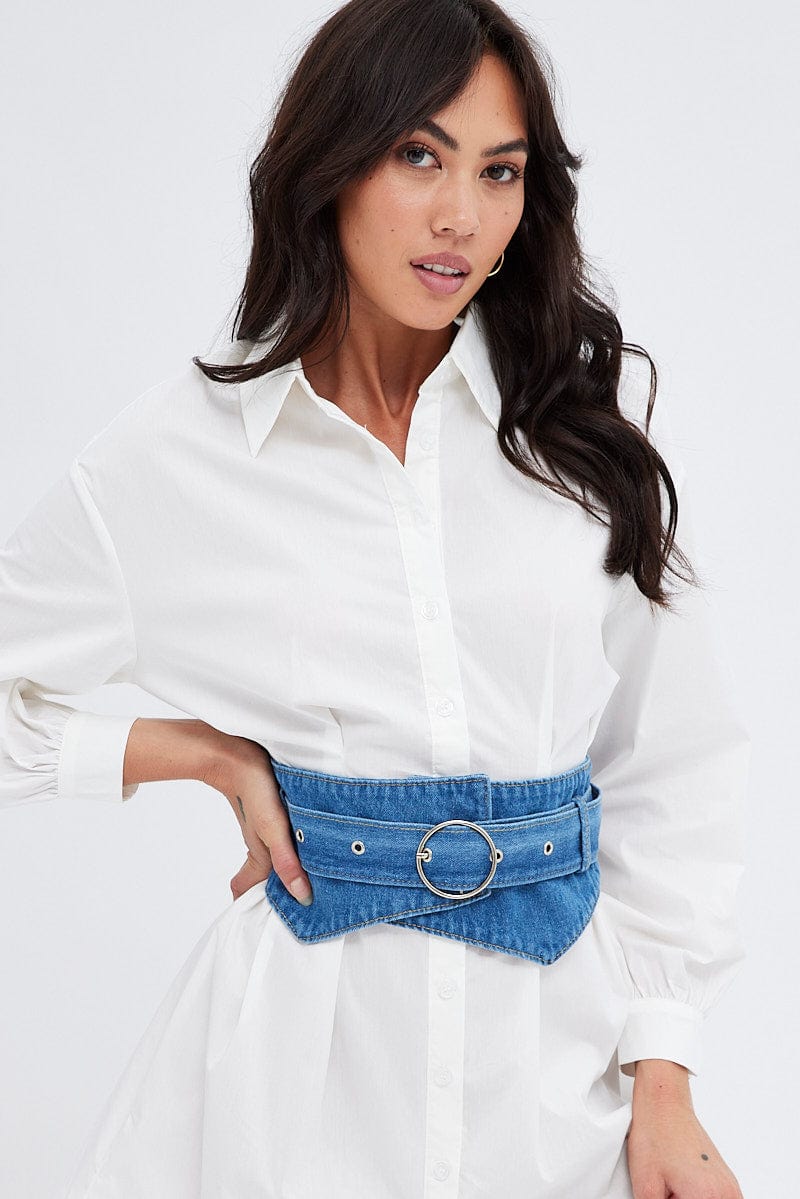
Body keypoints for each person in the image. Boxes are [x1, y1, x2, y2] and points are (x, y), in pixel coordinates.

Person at [0, 2, 750, 1197]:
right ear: (331, 164)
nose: (460, 216)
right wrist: (194, 752)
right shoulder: (183, 453)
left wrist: (663, 1073)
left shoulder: (584, 436)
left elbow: (675, 765)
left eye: (498, 171)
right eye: (417, 155)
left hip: (554, 1102)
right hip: (287, 1096)